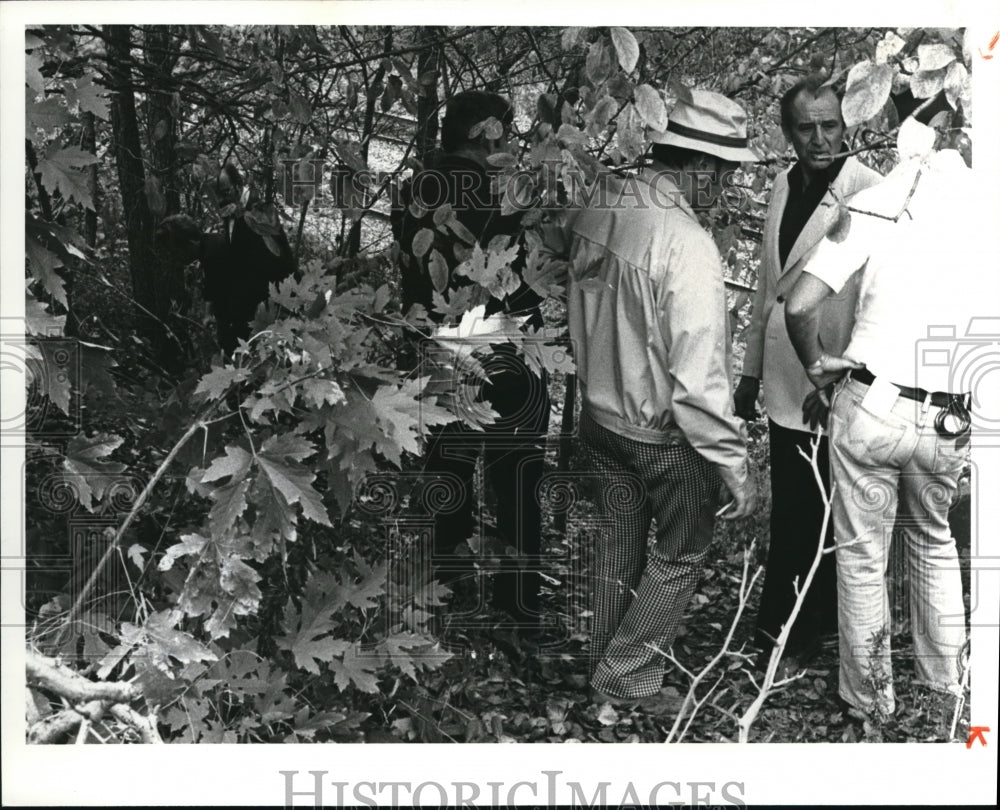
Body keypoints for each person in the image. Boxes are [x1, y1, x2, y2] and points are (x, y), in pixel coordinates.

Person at [565, 89, 758, 706]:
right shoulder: (686, 245)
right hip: (660, 437)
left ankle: (603, 667)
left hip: (598, 419)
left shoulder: (603, 203)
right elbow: (698, 381)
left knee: (615, 546)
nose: (724, 188)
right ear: (699, 166)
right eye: (723, 174)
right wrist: (735, 466)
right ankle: (624, 677)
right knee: (681, 553)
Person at [785, 143, 982, 720]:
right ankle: (945, 690)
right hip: (951, 416)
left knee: (863, 555)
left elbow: (800, 307)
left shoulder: (879, 201)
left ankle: (872, 702)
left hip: (874, 405)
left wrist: (818, 363)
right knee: (934, 542)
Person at [734, 76, 881, 663]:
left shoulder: (869, 190)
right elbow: (769, 287)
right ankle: (788, 633)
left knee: (818, 515)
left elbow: (875, 302)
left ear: (849, 125)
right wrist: (749, 374)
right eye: (806, 128)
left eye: (831, 126)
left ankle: (789, 636)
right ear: (787, 132)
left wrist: (844, 379)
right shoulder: (782, 182)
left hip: (831, 384)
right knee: (795, 509)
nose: (820, 139)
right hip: (784, 377)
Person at [395, 90, 550, 630]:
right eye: (504, 131)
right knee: (517, 479)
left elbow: (411, 273)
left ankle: (447, 587)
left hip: (441, 347)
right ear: (489, 132)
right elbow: (531, 269)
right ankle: (520, 604)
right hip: (507, 349)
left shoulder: (414, 189)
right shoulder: (505, 189)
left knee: (448, 470)